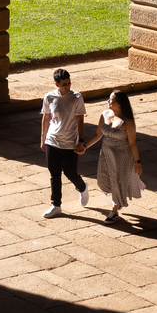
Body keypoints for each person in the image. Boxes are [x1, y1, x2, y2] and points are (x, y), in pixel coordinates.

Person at [82, 90, 144, 222]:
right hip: (106, 153)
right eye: (109, 99)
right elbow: (98, 135)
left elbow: (132, 143)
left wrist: (137, 162)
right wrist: (85, 146)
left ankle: (114, 210)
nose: (108, 101)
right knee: (103, 179)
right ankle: (118, 198)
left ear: (119, 103)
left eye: (111, 99)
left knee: (117, 180)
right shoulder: (104, 114)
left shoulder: (127, 121)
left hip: (123, 156)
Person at [39, 68, 89, 218]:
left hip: (69, 143)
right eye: (64, 84)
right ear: (57, 84)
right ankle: (56, 205)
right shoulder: (49, 97)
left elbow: (80, 120)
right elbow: (46, 118)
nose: (68, 86)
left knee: (70, 172)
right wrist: (43, 139)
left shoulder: (76, 97)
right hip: (52, 141)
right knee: (54, 174)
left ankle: (82, 187)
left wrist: (80, 141)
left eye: (69, 83)